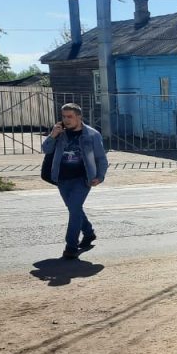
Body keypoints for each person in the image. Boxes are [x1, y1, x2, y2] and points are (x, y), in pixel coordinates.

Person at [41, 103, 107, 260]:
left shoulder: (92, 135)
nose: (66, 120)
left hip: (83, 180)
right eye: (63, 116)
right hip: (62, 179)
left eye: (69, 116)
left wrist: (100, 176)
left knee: (74, 209)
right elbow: (46, 149)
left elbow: (101, 159)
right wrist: (52, 135)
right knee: (74, 209)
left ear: (79, 117)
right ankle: (89, 233)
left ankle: (71, 246)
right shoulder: (60, 133)